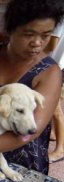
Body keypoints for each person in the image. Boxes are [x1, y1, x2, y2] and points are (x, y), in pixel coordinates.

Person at [0, 0, 64, 174]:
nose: (37, 43)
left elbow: (31, 131)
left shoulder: (49, 72)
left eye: (45, 35)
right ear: (10, 29)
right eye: (29, 34)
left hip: (22, 160)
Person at [45, 21, 64, 162]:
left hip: (54, 65)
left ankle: (60, 150)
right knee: (54, 105)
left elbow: (52, 44)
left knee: (55, 109)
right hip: (58, 65)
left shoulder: (60, 16)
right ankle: (52, 133)